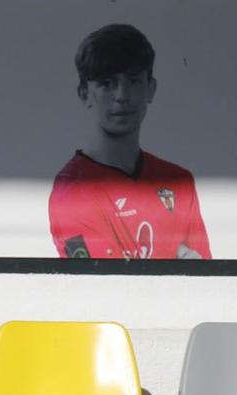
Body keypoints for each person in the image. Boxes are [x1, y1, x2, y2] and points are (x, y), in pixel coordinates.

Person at [49, 24, 211, 261]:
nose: (122, 95)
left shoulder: (179, 182)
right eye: (107, 83)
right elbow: (107, 289)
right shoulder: (73, 193)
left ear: (151, 89)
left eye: (133, 81)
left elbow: (204, 283)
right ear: (85, 94)